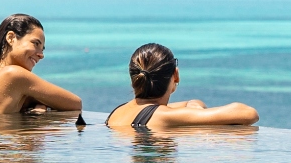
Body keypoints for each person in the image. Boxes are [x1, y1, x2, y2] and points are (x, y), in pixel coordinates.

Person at [105, 43, 258, 131]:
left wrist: (194, 106)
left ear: (133, 79)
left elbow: (189, 103)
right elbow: (248, 113)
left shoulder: (118, 111)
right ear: (175, 75)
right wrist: (195, 111)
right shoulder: (164, 116)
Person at [0, 13, 83, 117]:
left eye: (42, 49)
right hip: (6, 140)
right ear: (11, 38)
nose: (41, 55)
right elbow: (76, 103)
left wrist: (36, 103)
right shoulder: (14, 74)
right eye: (35, 44)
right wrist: (42, 104)